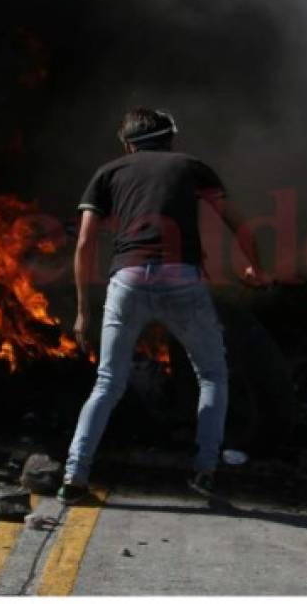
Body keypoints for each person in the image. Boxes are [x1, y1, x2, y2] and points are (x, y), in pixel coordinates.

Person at [57, 107, 267, 504]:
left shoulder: (107, 173)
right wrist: (256, 266)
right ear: (172, 138)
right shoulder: (193, 167)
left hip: (128, 279)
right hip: (181, 279)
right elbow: (238, 223)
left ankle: (74, 476)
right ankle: (205, 471)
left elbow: (85, 244)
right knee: (212, 376)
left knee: (107, 383)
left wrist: (84, 311)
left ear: (126, 143)